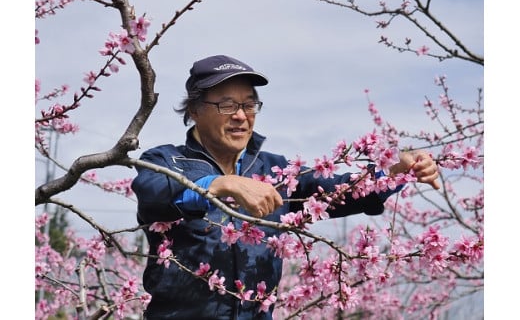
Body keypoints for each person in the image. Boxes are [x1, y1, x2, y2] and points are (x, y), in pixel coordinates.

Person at [131, 54, 440, 319]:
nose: (241, 116)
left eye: (249, 105)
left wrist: (395, 170)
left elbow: (342, 191)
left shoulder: (276, 171)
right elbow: (154, 194)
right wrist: (221, 184)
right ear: (195, 110)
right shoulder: (166, 161)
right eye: (226, 105)